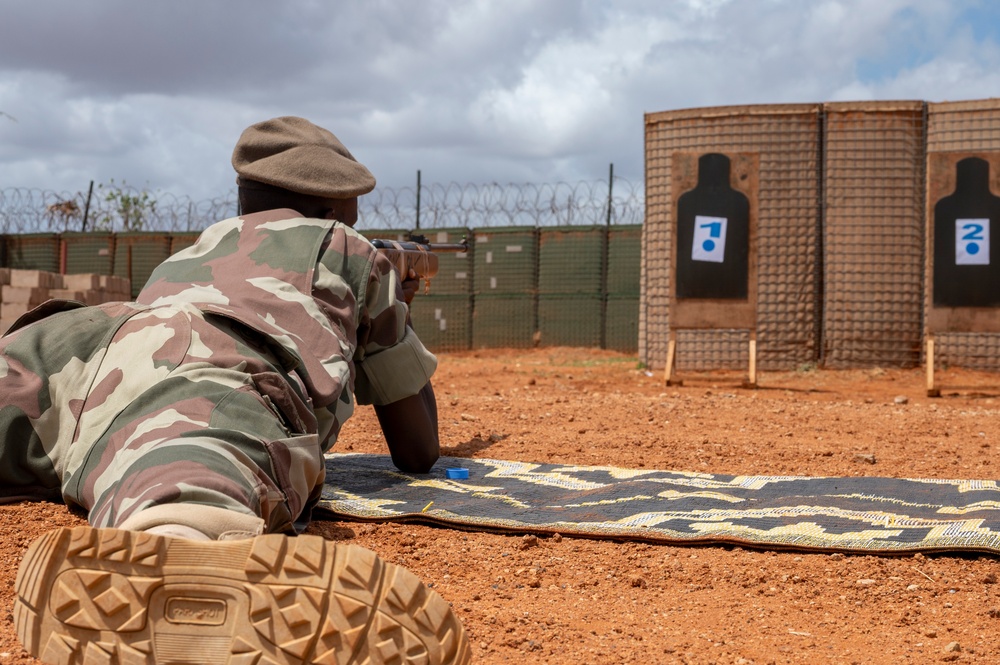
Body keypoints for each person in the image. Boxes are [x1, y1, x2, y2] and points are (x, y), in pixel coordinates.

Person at [2, 116, 470, 665]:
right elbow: (417, 450)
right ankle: (178, 561)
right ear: (333, 211)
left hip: (70, 349)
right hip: (205, 361)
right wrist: (394, 305)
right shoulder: (344, 247)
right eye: (353, 216)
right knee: (193, 459)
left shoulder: (195, 249)